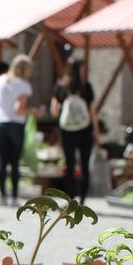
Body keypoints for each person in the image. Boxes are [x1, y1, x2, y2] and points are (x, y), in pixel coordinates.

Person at [52, 56, 100, 205]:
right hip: (85, 131)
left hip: (67, 131)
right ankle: (83, 198)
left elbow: (54, 110)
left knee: (70, 164)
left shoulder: (61, 86)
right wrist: (97, 132)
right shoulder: (86, 86)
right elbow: (92, 112)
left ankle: (70, 197)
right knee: (84, 165)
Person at [0, 54, 33, 205]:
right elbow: (19, 109)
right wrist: (34, 111)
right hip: (15, 124)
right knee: (14, 162)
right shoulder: (24, 85)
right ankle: (14, 196)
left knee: (1, 161)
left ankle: (2, 195)